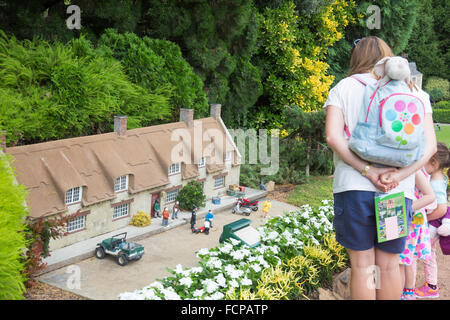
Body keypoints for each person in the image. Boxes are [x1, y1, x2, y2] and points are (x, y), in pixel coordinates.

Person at [325, 36, 436, 300]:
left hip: (354, 190)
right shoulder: (413, 91)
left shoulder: (344, 87)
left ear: (356, 58)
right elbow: (429, 147)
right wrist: (399, 175)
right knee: (388, 266)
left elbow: (332, 137)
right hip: (397, 193)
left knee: (363, 267)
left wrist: (367, 171)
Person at [415, 142, 450, 299]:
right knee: (429, 255)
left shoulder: (435, 181)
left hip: (431, 225)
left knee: (418, 254)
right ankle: (431, 285)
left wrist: (424, 218)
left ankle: (426, 287)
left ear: (434, 163)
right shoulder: (439, 176)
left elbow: (441, 208)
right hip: (433, 225)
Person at [399, 169, 435, 300]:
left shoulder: (415, 169)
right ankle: (407, 292)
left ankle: (406, 292)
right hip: (407, 217)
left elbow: (430, 196)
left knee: (401, 259)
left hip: (409, 218)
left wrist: (403, 209)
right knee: (404, 259)